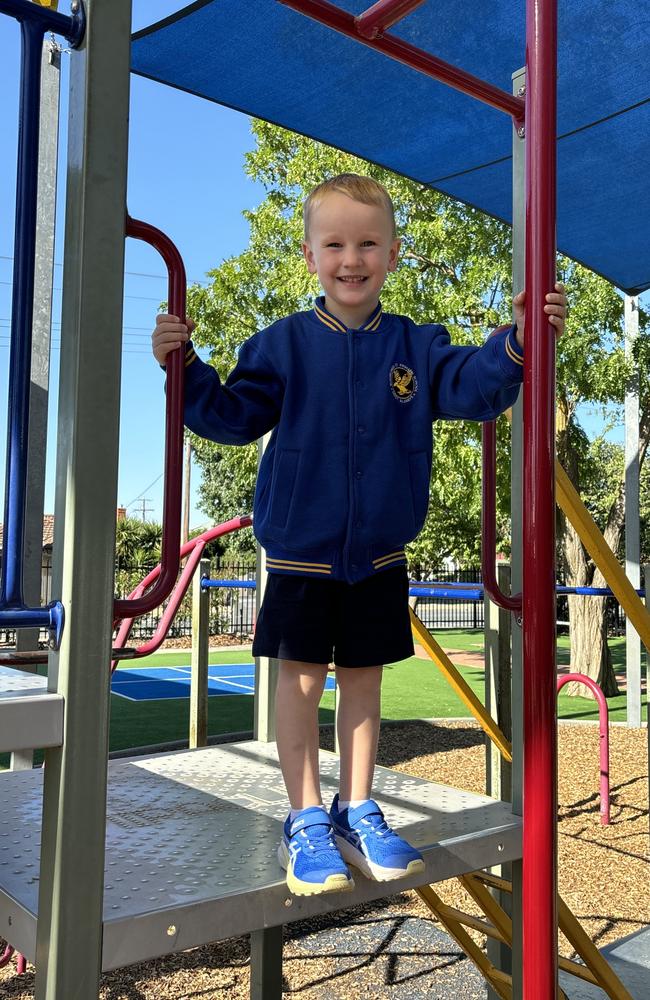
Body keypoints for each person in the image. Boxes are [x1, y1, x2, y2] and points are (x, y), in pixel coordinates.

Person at [152, 173, 566, 897]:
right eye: (335, 243)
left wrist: (520, 342)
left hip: (378, 550)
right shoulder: (282, 345)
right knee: (302, 680)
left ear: (394, 254)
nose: (352, 258)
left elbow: (474, 383)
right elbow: (231, 417)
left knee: (365, 682)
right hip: (303, 552)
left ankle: (358, 804)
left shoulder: (415, 345)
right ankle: (306, 814)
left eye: (368, 243)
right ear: (311, 255)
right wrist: (182, 368)